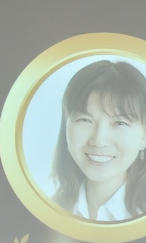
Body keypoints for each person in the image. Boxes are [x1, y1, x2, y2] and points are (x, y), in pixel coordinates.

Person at [50, 59, 146, 222]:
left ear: (144, 137)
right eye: (85, 120)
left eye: (119, 123)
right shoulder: (49, 210)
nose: (99, 141)